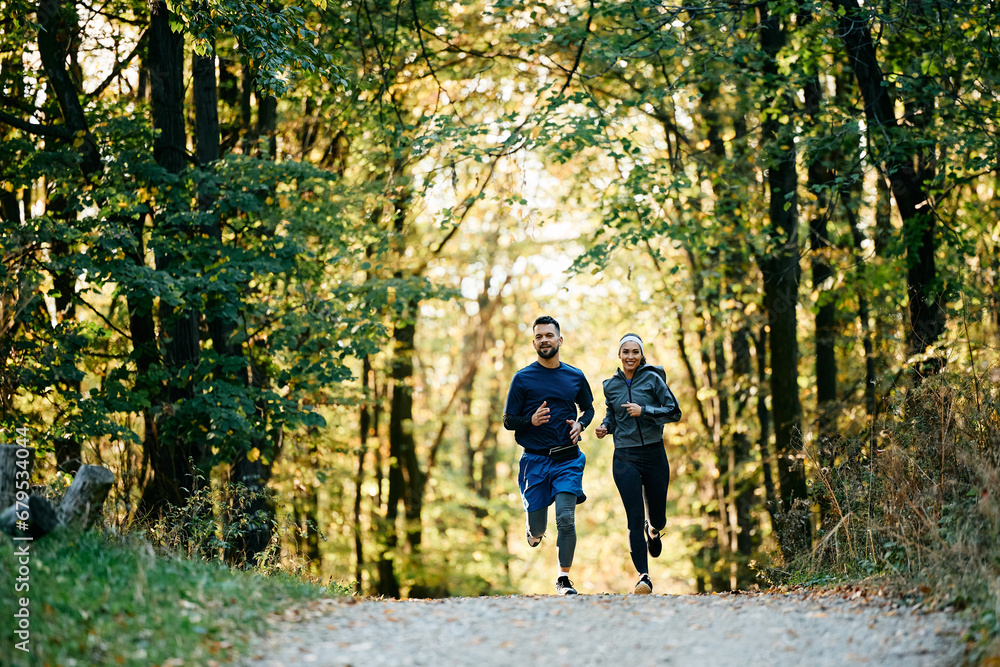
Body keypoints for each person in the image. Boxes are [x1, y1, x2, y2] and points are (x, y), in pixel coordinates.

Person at [503, 315, 595, 595]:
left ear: (559, 340)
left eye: (549, 335)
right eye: (539, 336)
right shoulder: (522, 379)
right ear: (534, 342)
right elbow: (509, 420)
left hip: (568, 459)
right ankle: (534, 533)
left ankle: (563, 579)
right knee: (539, 526)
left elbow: (589, 409)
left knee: (566, 518)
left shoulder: (575, 376)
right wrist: (529, 421)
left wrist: (581, 424)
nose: (545, 340)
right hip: (535, 461)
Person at [595, 333, 681, 595]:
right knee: (634, 518)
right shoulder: (610, 385)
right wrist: (605, 427)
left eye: (635, 351)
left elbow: (674, 412)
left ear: (641, 355)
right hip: (624, 456)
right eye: (625, 352)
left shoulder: (653, 379)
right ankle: (644, 577)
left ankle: (653, 531)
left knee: (658, 518)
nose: (630, 356)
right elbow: (613, 413)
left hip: (654, 454)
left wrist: (645, 411)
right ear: (619, 356)